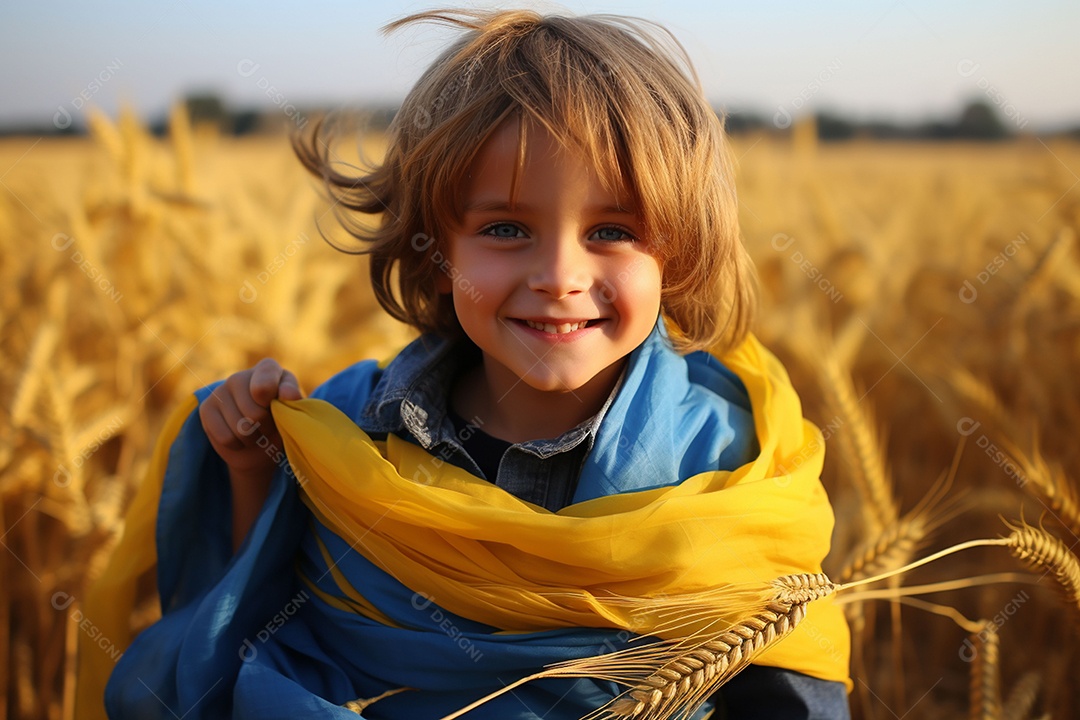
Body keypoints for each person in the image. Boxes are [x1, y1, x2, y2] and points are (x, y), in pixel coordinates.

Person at [77, 8, 851, 719]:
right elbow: (269, 622)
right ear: (436, 248)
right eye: (508, 229)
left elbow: (790, 676)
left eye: (613, 230)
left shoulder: (735, 462)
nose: (559, 275)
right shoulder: (353, 431)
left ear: (677, 252)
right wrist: (253, 469)